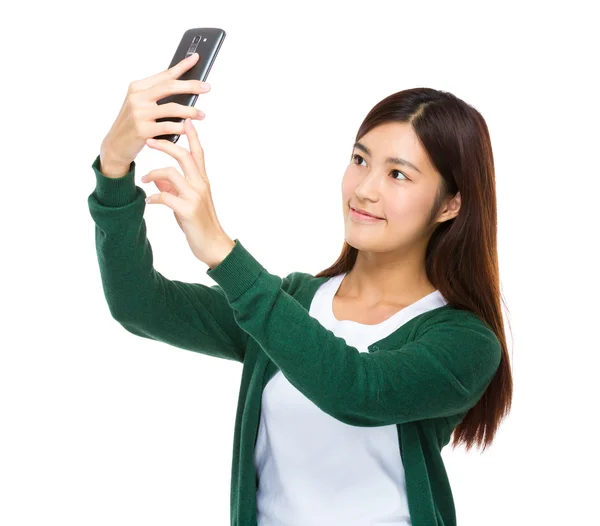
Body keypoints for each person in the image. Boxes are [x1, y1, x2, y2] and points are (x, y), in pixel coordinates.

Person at [88, 53, 513, 526]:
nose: (364, 189)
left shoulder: (466, 342)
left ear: (450, 205)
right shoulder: (288, 304)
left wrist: (224, 255)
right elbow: (139, 304)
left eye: (398, 174)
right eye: (359, 160)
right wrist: (113, 165)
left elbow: (357, 390)